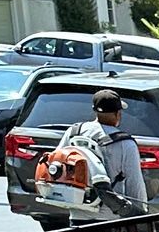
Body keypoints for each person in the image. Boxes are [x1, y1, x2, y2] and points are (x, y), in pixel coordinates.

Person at [55, 86, 148, 217]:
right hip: (108, 218)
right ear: (118, 114)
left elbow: (59, 159)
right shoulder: (126, 143)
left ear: (95, 111)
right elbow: (135, 184)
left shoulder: (74, 131)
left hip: (77, 213)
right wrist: (141, 213)